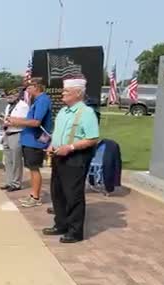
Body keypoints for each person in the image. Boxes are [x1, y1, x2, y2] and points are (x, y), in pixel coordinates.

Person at [43, 78, 100, 243]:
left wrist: (71, 147)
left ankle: (75, 231)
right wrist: (51, 145)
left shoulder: (86, 113)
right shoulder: (62, 111)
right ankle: (60, 224)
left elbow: (92, 138)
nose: (62, 94)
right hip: (58, 156)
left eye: (66, 91)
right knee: (58, 193)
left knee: (73, 195)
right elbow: (57, 133)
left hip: (75, 157)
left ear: (78, 93)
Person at [6, 77, 52, 208]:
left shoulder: (43, 100)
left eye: (29, 87)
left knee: (34, 169)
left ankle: (36, 197)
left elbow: (36, 122)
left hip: (35, 141)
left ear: (36, 87)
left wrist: (17, 121)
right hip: (29, 140)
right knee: (31, 169)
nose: (27, 90)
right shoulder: (37, 100)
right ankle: (33, 194)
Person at [0, 88, 30, 191]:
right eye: (7, 97)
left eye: (11, 97)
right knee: (8, 160)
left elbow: (24, 121)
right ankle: (9, 181)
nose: (8, 99)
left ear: (17, 96)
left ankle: (16, 183)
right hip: (7, 133)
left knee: (16, 160)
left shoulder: (23, 106)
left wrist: (11, 122)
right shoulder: (8, 106)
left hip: (17, 133)